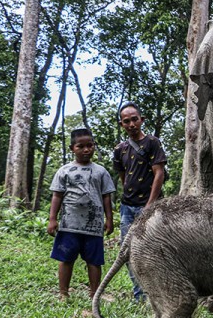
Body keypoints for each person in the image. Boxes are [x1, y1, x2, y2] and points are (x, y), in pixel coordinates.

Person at [47, 128, 115, 300]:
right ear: (72, 148)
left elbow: (106, 196)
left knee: (94, 261)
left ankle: (95, 294)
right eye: (81, 146)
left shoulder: (101, 171)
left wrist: (109, 219)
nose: (86, 150)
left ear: (94, 146)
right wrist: (53, 219)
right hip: (70, 224)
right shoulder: (65, 171)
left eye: (90, 145)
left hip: (94, 226)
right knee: (66, 259)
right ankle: (63, 293)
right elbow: (57, 195)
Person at [113, 102, 167, 301]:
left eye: (134, 119)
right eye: (126, 121)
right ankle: (140, 294)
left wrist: (150, 205)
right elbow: (123, 177)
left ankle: (158, 294)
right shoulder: (120, 149)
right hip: (127, 207)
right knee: (128, 251)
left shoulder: (152, 143)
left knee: (156, 249)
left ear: (141, 120)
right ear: (122, 124)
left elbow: (159, 173)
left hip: (151, 206)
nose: (131, 124)